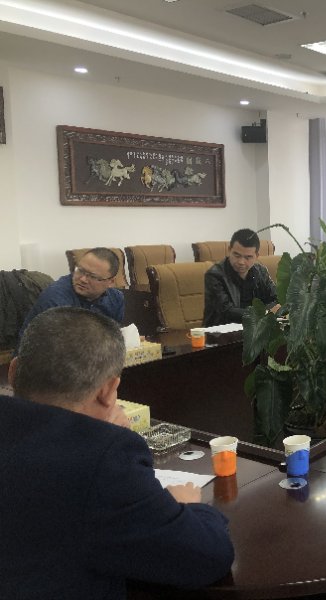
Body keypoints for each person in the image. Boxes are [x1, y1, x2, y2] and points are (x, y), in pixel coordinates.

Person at [1, 307, 234, 599]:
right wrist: (189, 507)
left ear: (13, 371)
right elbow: (209, 557)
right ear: (110, 390)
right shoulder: (103, 461)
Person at [19, 247, 124, 340]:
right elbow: (56, 348)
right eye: (80, 270)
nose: (83, 279)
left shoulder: (116, 299)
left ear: (111, 282)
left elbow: (114, 337)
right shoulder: (56, 300)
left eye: (93, 276)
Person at [204, 228, 280, 326]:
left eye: (248, 257)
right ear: (229, 250)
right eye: (237, 255)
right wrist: (265, 313)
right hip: (223, 331)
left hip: (256, 328)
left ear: (256, 256)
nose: (241, 262)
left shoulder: (261, 272)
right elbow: (227, 312)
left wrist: (268, 312)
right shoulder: (214, 275)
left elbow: (277, 299)